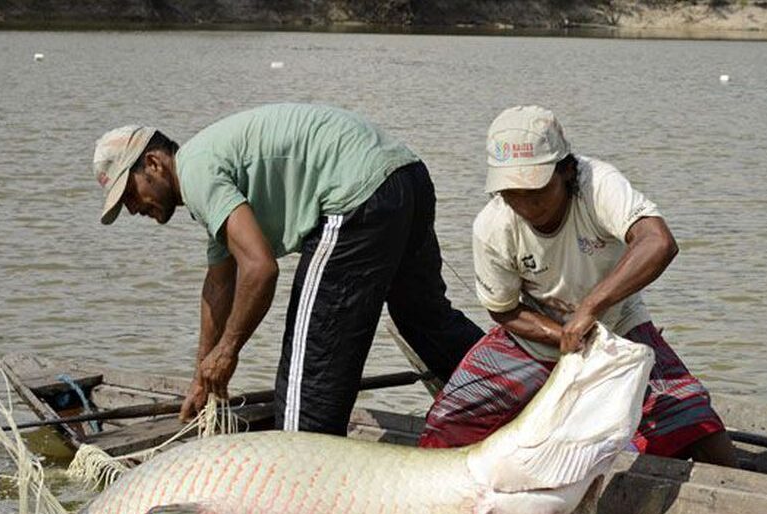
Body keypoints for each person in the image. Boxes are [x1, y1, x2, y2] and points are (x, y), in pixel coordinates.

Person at [93, 103, 483, 435]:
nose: (133, 209)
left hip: (356, 196)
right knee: (425, 319)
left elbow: (260, 269)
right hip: (405, 176)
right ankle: (514, 392)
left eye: (130, 194)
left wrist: (228, 351)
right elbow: (218, 284)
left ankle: (304, 489)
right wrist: (201, 374)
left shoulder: (197, 173)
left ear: (154, 163)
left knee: (308, 379)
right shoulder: (208, 169)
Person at [418, 105, 737, 466]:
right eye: (511, 192)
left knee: (696, 424)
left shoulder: (597, 184)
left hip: (616, 327)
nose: (524, 204)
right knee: (447, 425)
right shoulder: (493, 225)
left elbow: (657, 241)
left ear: (566, 171)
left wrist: (590, 310)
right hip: (535, 335)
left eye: (535, 190)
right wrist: (563, 335)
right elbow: (504, 310)